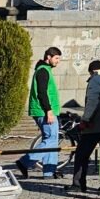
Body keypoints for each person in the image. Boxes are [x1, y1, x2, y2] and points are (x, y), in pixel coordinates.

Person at [67, 60, 100, 194]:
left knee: (81, 154)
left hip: (94, 125)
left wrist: (85, 119)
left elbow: (92, 102)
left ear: (92, 71)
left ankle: (78, 183)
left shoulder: (96, 79)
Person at [16, 47, 62, 179]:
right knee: (52, 140)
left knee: (51, 139)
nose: (58, 61)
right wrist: (48, 110)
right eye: (56, 58)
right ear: (49, 57)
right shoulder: (43, 71)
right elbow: (42, 93)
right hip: (44, 111)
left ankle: (49, 171)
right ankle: (24, 162)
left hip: (45, 111)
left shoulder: (44, 70)